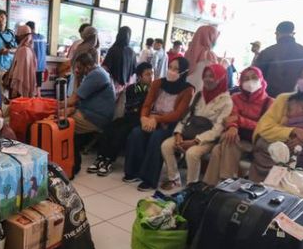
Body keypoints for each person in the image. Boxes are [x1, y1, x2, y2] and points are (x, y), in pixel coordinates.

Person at [124, 57, 195, 191]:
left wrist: (156, 120)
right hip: (151, 119)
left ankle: (149, 179)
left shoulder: (188, 90)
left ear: (184, 72)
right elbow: (147, 104)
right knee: (136, 133)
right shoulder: (158, 83)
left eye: (176, 69)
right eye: (170, 67)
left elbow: (178, 114)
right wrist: (144, 118)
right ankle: (132, 172)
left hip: (170, 124)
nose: (171, 71)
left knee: (156, 137)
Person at [160, 64, 233, 190]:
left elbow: (218, 129)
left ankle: (191, 187)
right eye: (206, 76)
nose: (208, 79)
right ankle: (174, 179)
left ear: (221, 78)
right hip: (188, 132)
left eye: (212, 76)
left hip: (207, 139)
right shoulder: (199, 95)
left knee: (192, 153)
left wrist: (196, 141)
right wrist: (178, 134)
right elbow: (186, 117)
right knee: (166, 145)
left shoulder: (226, 101)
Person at [203, 66, 273, 185]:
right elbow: (230, 117)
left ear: (261, 79)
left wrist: (240, 121)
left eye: (254, 77)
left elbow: (264, 127)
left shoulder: (270, 102)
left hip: (255, 142)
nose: (250, 81)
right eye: (246, 78)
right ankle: (221, 184)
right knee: (229, 139)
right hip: (236, 138)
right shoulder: (235, 98)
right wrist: (233, 126)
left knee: (218, 149)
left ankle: (218, 183)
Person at [89, 62, 153, 177]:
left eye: (151, 74)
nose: (151, 77)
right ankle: (100, 157)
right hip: (129, 117)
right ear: (139, 76)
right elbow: (131, 106)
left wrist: (148, 92)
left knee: (121, 131)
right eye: (147, 74)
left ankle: (109, 160)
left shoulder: (152, 90)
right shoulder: (131, 88)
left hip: (141, 119)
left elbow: (142, 108)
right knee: (109, 127)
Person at [254, 21, 303, 98]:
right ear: (293, 34)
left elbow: (256, 76)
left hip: (270, 98)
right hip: (298, 98)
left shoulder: (267, 52)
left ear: (277, 34)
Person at [5, 25, 37, 99]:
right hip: (27, 85)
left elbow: (18, 72)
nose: (17, 37)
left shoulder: (23, 50)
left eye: (18, 35)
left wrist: (15, 89)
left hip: (19, 87)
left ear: (22, 36)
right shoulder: (30, 50)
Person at [185, 25, 219, 93]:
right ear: (210, 38)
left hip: (184, 91)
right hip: (199, 95)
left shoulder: (189, 52)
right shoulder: (209, 55)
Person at [102, 26, 136, 94]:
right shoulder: (132, 51)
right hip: (126, 84)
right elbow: (133, 70)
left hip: (112, 83)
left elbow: (105, 68)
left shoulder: (113, 49)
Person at [26, 21, 47, 92]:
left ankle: (32, 96)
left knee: (31, 81)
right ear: (34, 28)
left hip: (33, 63)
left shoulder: (29, 38)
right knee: (39, 80)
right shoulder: (43, 37)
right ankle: (39, 95)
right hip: (41, 63)